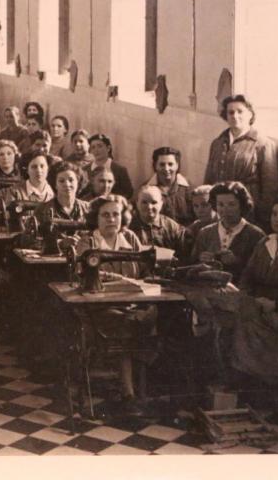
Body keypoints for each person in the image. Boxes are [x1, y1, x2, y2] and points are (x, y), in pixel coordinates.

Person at [75, 195, 157, 413]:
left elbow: (146, 273)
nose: (111, 219)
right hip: (97, 307)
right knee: (127, 323)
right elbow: (81, 276)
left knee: (157, 317)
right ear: (96, 218)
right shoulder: (88, 242)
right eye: (105, 215)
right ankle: (129, 394)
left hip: (131, 302)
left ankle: (143, 390)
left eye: (116, 214)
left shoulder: (130, 238)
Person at [227, 194, 278, 387]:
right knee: (229, 316)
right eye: (274, 214)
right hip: (261, 306)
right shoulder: (264, 243)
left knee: (243, 323)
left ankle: (252, 385)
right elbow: (247, 278)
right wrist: (247, 296)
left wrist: (277, 304)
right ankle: (241, 385)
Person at [204, 94, 278, 228]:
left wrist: (263, 220)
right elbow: (209, 179)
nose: (235, 116)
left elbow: (271, 189)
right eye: (230, 112)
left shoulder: (263, 144)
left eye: (240, 111)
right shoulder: (217, 143)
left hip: (248, 213)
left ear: (250, 114)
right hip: (220, 212)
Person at [190, 181, 266, 283]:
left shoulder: (256, 235)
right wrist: (201, 260)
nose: (225, 210)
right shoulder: (205, 233)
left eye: (231, 204)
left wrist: (237, 262)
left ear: (242, 205)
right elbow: (191, 269)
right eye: (220, 204)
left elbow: (261, 273)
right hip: (207, 291)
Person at [129, 185, 188, 260]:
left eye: (154, 202)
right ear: (137, 203)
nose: (149, 207)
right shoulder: (129, 226)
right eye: (144, 202)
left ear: (161, 203)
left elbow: (182, 257)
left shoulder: (173, 227)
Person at [146, 146, 194, 226]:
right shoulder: (146, 188)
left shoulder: (189, 188)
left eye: (170, 164)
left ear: (177, 165)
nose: (166, 168)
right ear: (155, 166)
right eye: (162, 164)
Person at [88, 133, 134, 199]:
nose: (96, 150)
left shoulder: (119, 170)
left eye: (100, 146)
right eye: (93, 147)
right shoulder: (85, 169)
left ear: (108, 148)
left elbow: (128, 192)